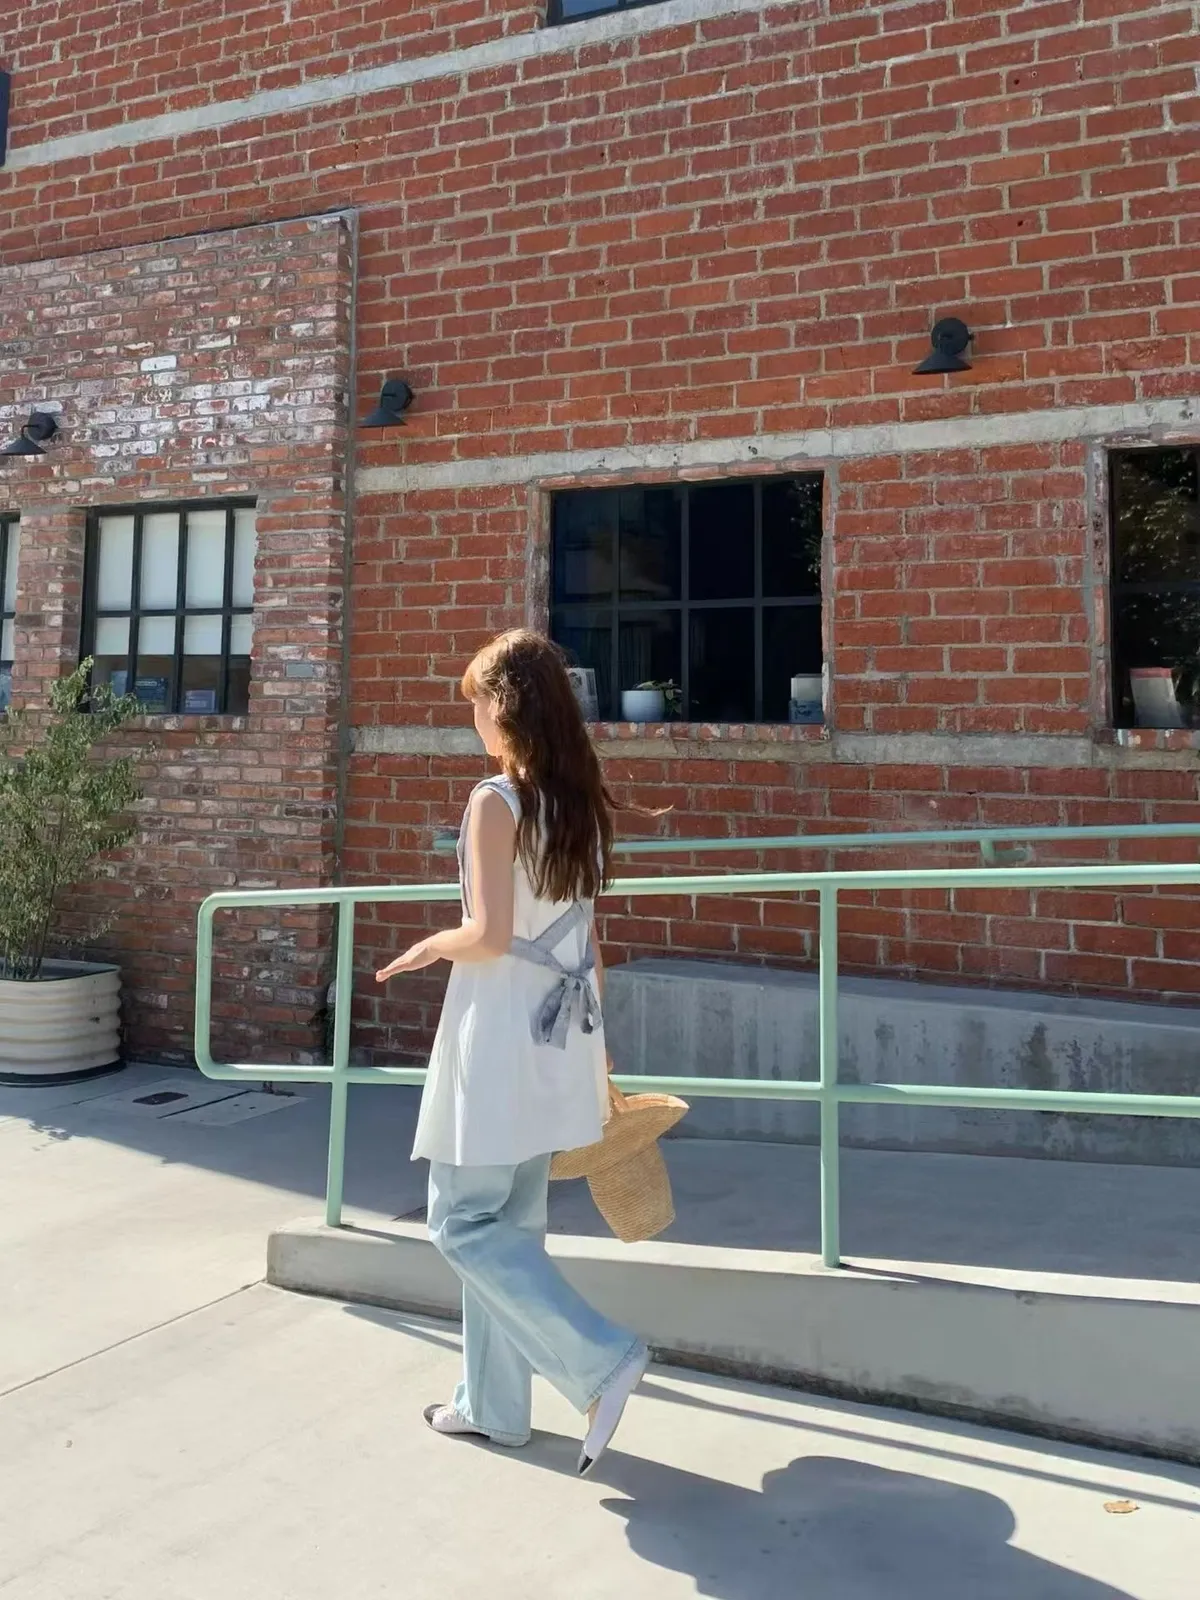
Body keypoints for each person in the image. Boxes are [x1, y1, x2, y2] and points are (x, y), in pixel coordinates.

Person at [375, 629, 648, 1475]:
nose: (474, 723)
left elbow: (489, 935)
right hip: (564, 1033)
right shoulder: (578, 802)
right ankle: (493, 1410)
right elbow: (589, 943)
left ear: (507, 706)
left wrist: (429, 944)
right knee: (512, 1229)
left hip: (500, 1030)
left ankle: (600, 1360)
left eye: (478, 705)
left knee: (461, 1223)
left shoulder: (496, 801)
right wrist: (599, 1056)